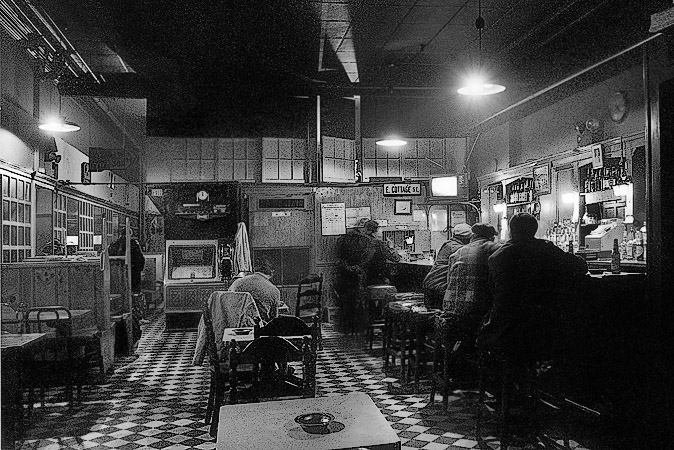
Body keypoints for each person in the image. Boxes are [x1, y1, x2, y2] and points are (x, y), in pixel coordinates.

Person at [477, 212, 589, 361]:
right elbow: (580, 266)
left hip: (505, 327)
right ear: (534, 230)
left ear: (510, 231)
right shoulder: (546, 249)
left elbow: (491, 294)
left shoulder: (496, 258)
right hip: (543, 326)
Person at [335, 218, 401, 333]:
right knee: (390, 290)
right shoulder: (378, 243)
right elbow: (395, 258)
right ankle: (383, 322)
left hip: (359, 278)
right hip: (376, 279)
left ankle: (370, 321)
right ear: (376, 230)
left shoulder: (360, 241)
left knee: (366, 299)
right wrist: (392, 248)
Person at [443, 223, 502, 338]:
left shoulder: (456, 253)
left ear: (473, 236)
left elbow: (449, 281)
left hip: (451, 310)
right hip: (477, 313)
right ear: (491, 237)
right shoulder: (496, 249)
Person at [422, 223, 473, 309]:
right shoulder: (458, 249)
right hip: (440, 286)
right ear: (466, 238)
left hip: (430, 283)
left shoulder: (448, 244)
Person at [228, 258, 281, 324]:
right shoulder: (274, 290)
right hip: (259, 328)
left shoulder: (237, 283)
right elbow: (273, 319)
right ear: (272, 271)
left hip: (232, 326)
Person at [108, 227, 146, 295]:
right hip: (133, 273)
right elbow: (140, 259)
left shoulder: (113, 245)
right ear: (130, 234)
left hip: (115, 275)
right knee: (134, 291)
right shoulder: (133, 244)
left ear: (120, 234)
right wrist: (139, 269)